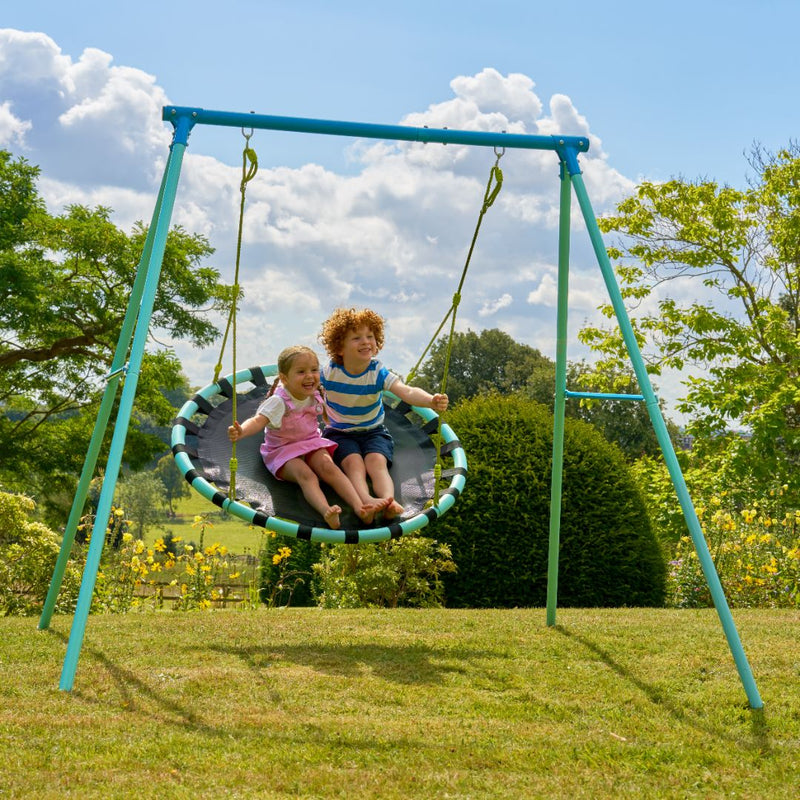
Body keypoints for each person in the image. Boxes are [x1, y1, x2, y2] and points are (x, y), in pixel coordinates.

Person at [227, 345, 386, 529]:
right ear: (284, 378)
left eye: (313, 370)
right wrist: (242, 431)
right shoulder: (278, 402)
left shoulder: (315, 393)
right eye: (301, 372)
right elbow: (258, 421)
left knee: (329, 468)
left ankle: (361, 508)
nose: (310, 376)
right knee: (307, 475)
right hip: (283, 451)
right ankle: (326, 511)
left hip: (310, 443)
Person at [318, 307, 449, 520]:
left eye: (370, 336)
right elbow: (303, 388)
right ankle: (366, 502)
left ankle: (389, 501)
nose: (366, 342)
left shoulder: (377, 371)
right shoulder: (329, 372)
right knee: (354, 463)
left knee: (376, 462)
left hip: (373, 431)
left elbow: (406, 391)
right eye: (357, 338)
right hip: (339, 432)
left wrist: (430, 400)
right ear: (339, 347)